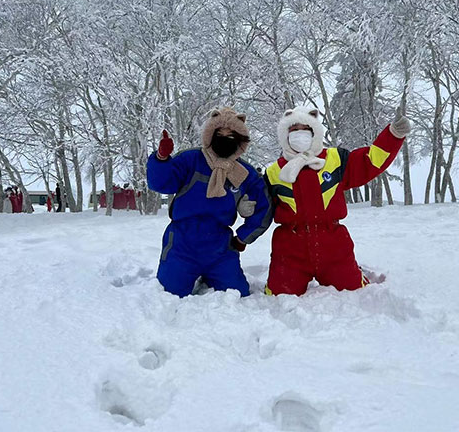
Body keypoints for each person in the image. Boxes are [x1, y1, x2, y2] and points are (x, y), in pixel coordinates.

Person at [264, 106, 411, 296]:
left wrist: (393, 135)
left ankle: (355, 272)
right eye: (294, 130)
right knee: (277, 296)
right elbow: (259, 204)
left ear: (315, 132)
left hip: (333, 245)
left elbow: (370, 161)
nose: (300, 134)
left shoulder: (335, 159)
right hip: (290, 248)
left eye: (305, 129)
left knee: (354, 291)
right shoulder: (273, 172)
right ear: (285, 135)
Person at [147, 107, 273, 297]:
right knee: (169, 293)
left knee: (237, 293)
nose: (225, 139)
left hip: (220, 244)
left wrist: (243, 237)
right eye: (219, 134)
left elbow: (264, 207)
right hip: (182, 241)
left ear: (240, 140)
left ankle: (211, 275)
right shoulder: (191, 159)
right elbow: (161, 184)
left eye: (231, 136)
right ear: (210, 135)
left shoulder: (245, 173)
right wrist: (161, 159)